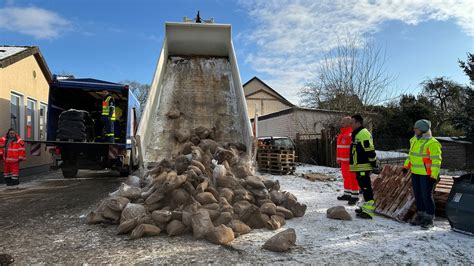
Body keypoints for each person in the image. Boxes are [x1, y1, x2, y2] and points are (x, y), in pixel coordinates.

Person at [403, 119, 442, 229]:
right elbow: (411, 155)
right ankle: (421, 216)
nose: (414, 130)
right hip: (415, 173)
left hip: (427, 175)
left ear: (423, 130)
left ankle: (429, 219)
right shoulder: (414, 140)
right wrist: (406, 166)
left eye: (416, 128)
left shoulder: (433, 143)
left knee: (426, 196)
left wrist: (434, 175)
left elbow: (436, 161)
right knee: (418, 195)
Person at [349, 114, 377, 219]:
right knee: (364, 188)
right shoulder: (357, 133)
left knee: (366, 188)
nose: (351, 125)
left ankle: (369, 211)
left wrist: (373, 163)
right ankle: (365, 208)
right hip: (359, 166)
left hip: (363, 166)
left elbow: (370, 149)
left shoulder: (363, 133)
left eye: (352, 123)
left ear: (358, 123)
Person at [336, 116, 360, 205]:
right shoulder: (342, 134)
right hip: (343, 161)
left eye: (343, 122)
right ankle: (347, 194)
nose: (341, 123)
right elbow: (339, 148)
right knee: (346, 178)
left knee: (353, 179)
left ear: (349, 123)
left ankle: (354, 196)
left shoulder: (352, 133)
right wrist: (338, 159)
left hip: (351, 161)